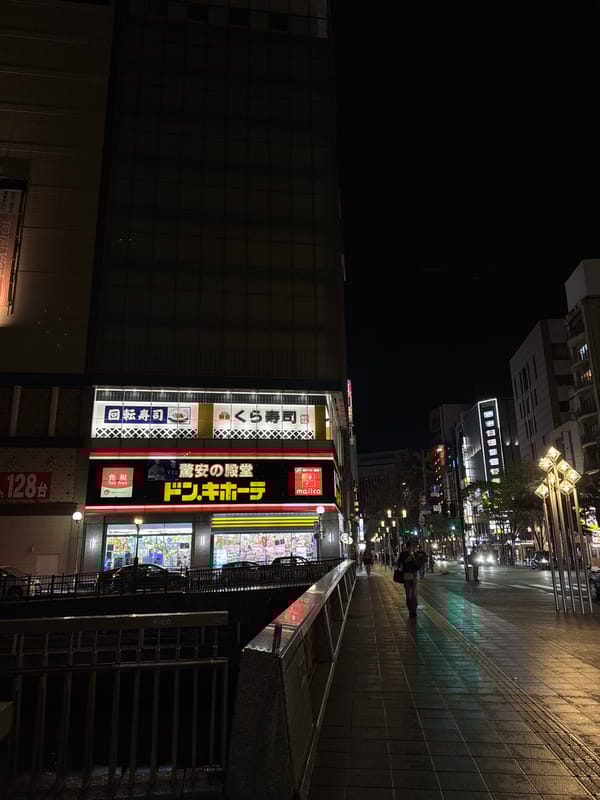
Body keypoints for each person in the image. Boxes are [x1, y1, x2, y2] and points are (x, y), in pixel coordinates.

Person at [398, 541, 420, 617]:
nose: (410, 549)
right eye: (409, 547)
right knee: (408, 593)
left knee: (414, 592)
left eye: (411, 547)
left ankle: (413, 610)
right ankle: (410, 609)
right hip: (407, 574)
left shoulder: (415, 555)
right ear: (406, 547)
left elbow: (418, 566)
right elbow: (399, 563)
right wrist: (406, 560)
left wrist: (414, 560)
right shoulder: (403, 554)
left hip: (414, 574)